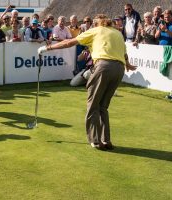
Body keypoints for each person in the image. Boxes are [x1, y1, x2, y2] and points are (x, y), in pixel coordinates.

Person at [37, 14, 136, 150]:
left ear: (97, 23)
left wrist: (47, 48)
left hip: (103, 66)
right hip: (119, 69)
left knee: (93, 105)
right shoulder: (117, 33)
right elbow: (124, 54)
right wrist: (128, 65)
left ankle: (95, 141)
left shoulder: (96, 30)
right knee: (103, 107)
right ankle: (105, 140)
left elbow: (69, 42)